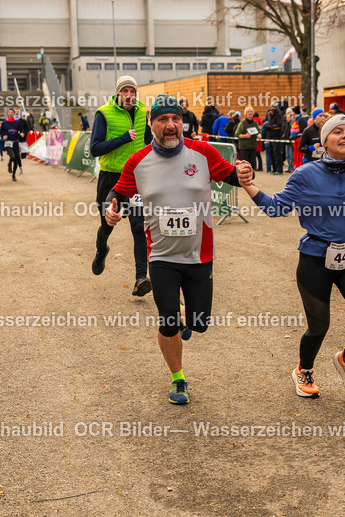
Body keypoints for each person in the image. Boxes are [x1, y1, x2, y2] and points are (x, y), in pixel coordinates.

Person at [234, 113, 345, 398]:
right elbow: (276, 207)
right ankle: (304, 370)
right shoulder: (306, 174)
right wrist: (248, 185)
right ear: (324, 141)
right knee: (319, 326)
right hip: (315, 258)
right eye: (337, 132)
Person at [104, 94, 254, 404]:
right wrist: (111, 208)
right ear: (152, 124)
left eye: (175, 119)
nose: (171, 125)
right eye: (163, 120)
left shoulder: (202, 152)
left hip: (200, 255)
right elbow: (116, 193)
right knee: (167, 320)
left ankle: (188, 317)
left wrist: (244, 174)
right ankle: (178, 377)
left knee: (199, 323)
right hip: (161, 257)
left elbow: (231, 177)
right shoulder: (138, 162)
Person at [90, 75, 153, 295]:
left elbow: (147, 143)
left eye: (132, 91)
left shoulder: (142, 113)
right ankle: (101, 250)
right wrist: (124, 138)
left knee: (138, 228)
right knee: (107, 226)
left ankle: (141, 278)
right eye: (125, 91)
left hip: (135, 179)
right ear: (118, 93)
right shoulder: (103, 114)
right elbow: (95, 148)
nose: (129, 95)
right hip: (111, 179)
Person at [0, 109, 29, 182]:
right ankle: (9, 164)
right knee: (12, 156)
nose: (10, 113)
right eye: (9, 112)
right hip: (8, 143)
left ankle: (13, 175)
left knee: (16, 159)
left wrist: (22, 133)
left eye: (12, 112)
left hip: (15, 142)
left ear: (14, 114)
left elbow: (22, 129)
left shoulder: (17, 122)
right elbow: (1, 132)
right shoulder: (4, 123)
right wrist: (3, 136)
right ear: (8, 113)